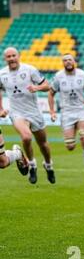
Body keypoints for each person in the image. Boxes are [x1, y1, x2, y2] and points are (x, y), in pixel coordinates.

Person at [0, 47, 55, 184]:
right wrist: (1, 108)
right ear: (5, 59)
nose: (12, 58)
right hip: (16, 112)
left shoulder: (29, 69)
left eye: (14, 55)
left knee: (43, 144)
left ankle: (48, 165)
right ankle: (32, 165)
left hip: (34, 112)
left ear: (19, 56)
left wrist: (36, 88)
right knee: (26, 137)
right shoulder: (2, 74)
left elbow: (47, 86)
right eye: (9, 56)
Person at [48, 54, 84, 178]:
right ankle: (74, 131)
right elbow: (50, 94)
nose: (67, 62)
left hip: (81, 110)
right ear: (63, 63)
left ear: (74, 61)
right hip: (67, 112)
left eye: (69, 59)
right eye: (65, 60)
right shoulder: (58, 77)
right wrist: (52, 111)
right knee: (70, 146)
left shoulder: (83, 75)